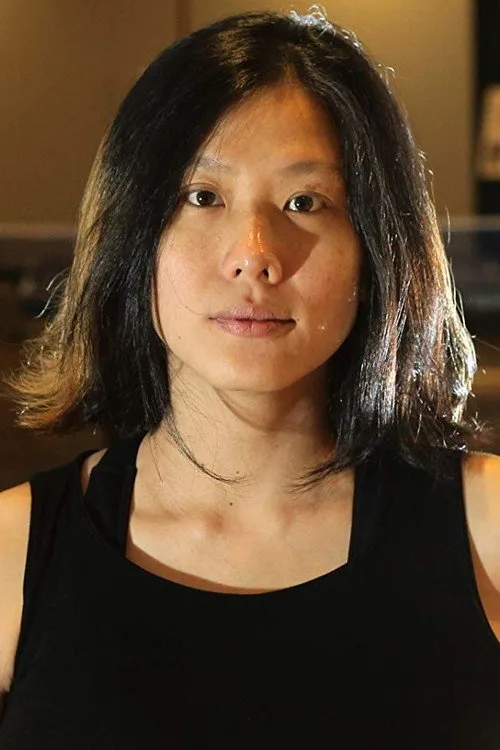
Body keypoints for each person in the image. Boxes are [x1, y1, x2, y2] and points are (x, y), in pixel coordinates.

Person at [0, 8, 499, 748]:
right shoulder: (12, 553)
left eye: (305, 202)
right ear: (133, 236)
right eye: (202, 197)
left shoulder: (487, 528)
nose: (255, 254)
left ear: (375, 250)